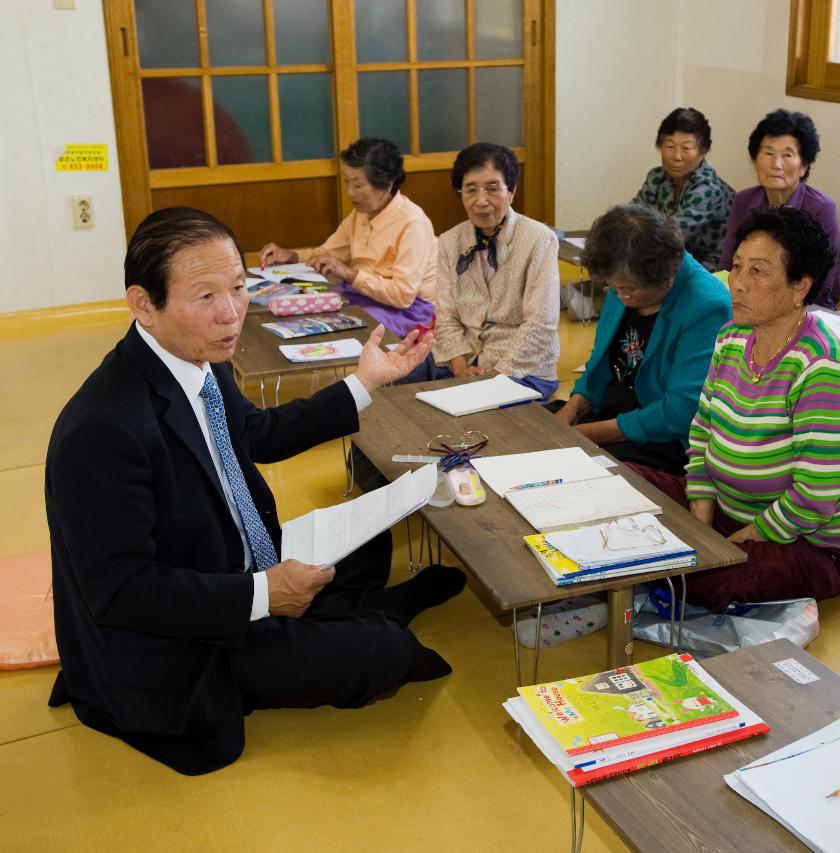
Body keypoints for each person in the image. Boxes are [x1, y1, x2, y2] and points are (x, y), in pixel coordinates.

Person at [47, 207, 466, 776]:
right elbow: (121, 593)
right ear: (144, 304)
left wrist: (367, 380)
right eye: (206, 297)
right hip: (185, 641)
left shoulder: (198, 356)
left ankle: (358, 611)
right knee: (383, 654)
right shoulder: (103, 428)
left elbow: (255, 435)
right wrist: (263, 595)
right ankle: (364, 620)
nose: (231, 313)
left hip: (228, 565)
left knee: (368, 535)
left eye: (239, 288)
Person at [631, 207, 840, 611]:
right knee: (622, 484)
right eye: (737, 267)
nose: (737, 284)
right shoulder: (732, 337)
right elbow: (702, 436)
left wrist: (725, 548)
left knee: (703, 578)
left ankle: (642, 587)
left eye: (757, 272)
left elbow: (815, 498)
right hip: (727, 513)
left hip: (808, 544)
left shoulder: (821, 366)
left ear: (800, 285)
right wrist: (700, 526)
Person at [553, 205, 730, 473]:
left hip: (661, 434)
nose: (618, 294)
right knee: (528, 426)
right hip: (613, 409)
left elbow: (680, 413)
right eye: (613, 286)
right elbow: (600, 363)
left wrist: (588, 433)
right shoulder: (622, 276)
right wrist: (573, 408)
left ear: (665, 275)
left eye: (627, 289)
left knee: (592, 475)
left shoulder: (706, 306)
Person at [258, 137, 437, 338]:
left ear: (387, 185)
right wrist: (289, 255)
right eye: (347, 182)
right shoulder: (361, 212)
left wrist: (347, 272)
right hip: (364, 296)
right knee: (300, 311)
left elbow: (402, 295)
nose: (350, 192)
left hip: (408, 310)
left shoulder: (412, 223)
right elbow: (327, 252)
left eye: (358, 185)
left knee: (338, 329)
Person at [433, 143, 560, 400]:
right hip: (464, 360)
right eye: (471, 189)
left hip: (522, 368)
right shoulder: (449, 241)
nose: (481, 201)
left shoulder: (539, 239)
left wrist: (496, 376)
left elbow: (540, 325)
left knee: (472, 410)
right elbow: (445, 314)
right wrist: (459, 365)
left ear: (511, 191)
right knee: (397, 393)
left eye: (493, 188)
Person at [718, 109, 840, 309]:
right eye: (768, 153)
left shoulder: (821, 208)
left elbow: (823, 287)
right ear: (755, 160)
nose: (776, 164)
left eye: (787, 155)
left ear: (803, 166)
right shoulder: (743, 200)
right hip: (748, 301)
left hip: (804, 308)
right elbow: (727, 266)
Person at [631, 107, 735, 271]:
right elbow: (632, 215)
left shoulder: (707, 187)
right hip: (675, 257)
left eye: (686, 148)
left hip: (711, 267)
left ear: (703, 151)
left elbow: (670, 235)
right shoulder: (657, 176)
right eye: (670, 146)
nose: (677, 156)